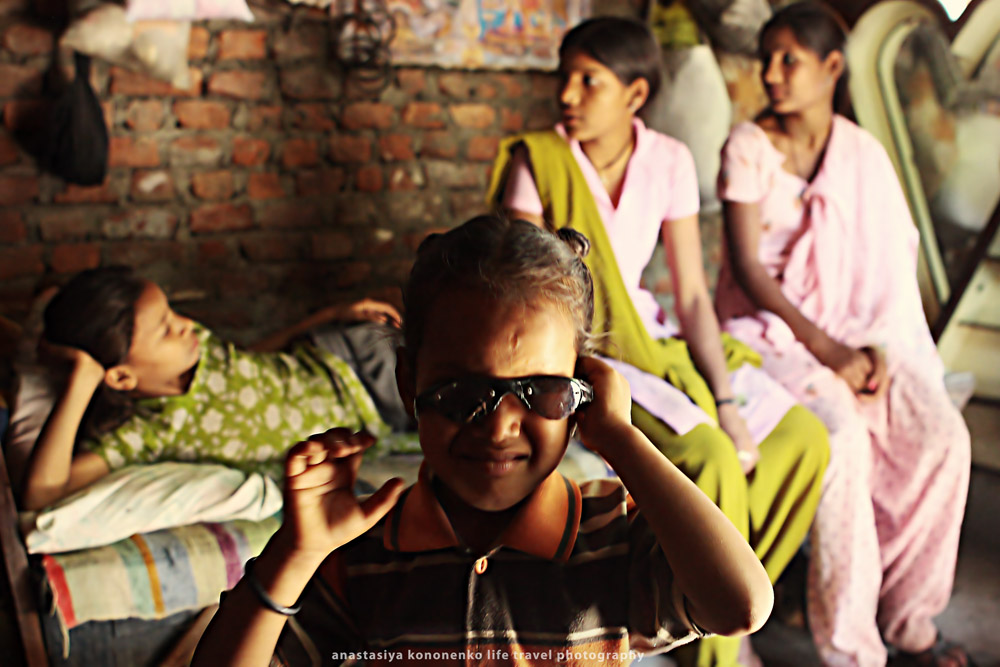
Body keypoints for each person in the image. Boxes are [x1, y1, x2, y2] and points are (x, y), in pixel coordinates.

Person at [191, 215, 775, 667]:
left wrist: (620, 438)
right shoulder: (365, 553)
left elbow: (742, 605)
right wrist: (295, 554)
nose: (499, 427)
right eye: (459, 392)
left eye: (540, 391)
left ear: (581, 390)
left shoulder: (610, 535)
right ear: (408, 383)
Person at [488, 17, 829, 667]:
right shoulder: (540, 160)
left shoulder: (669, 160)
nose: (567, 95)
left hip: (655, 336)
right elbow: (522, 289)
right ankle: (720, 644)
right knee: (711, 455)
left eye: (589, 80)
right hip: (588, 350)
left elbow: (693, 295)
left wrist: (725, 398)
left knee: (803, 439)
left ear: (636, 94)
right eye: (565, 77)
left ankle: (721, 602)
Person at [714, 3, 973, 666]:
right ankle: (851, 647)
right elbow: (747, 268)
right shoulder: (747, 147)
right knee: (845, 439)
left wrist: (874, 352)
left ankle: (909, 617)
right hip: (767, 338)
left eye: (789, 60)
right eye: (766, 59)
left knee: (943, 439)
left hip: (858, 334)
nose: (772, 73)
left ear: (832, 67)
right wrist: (830, 353)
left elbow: (888, 271)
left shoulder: (861, 154)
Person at [18, 266, 406, 511]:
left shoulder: (194, 344)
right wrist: (83, 378)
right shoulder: (147, 432)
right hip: (373, 405)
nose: (186, 324)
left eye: (173, 312)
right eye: (166, 329)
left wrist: (329, 315)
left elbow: (246, 359)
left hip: (344, 354)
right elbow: (41, 494)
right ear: (121, 378)